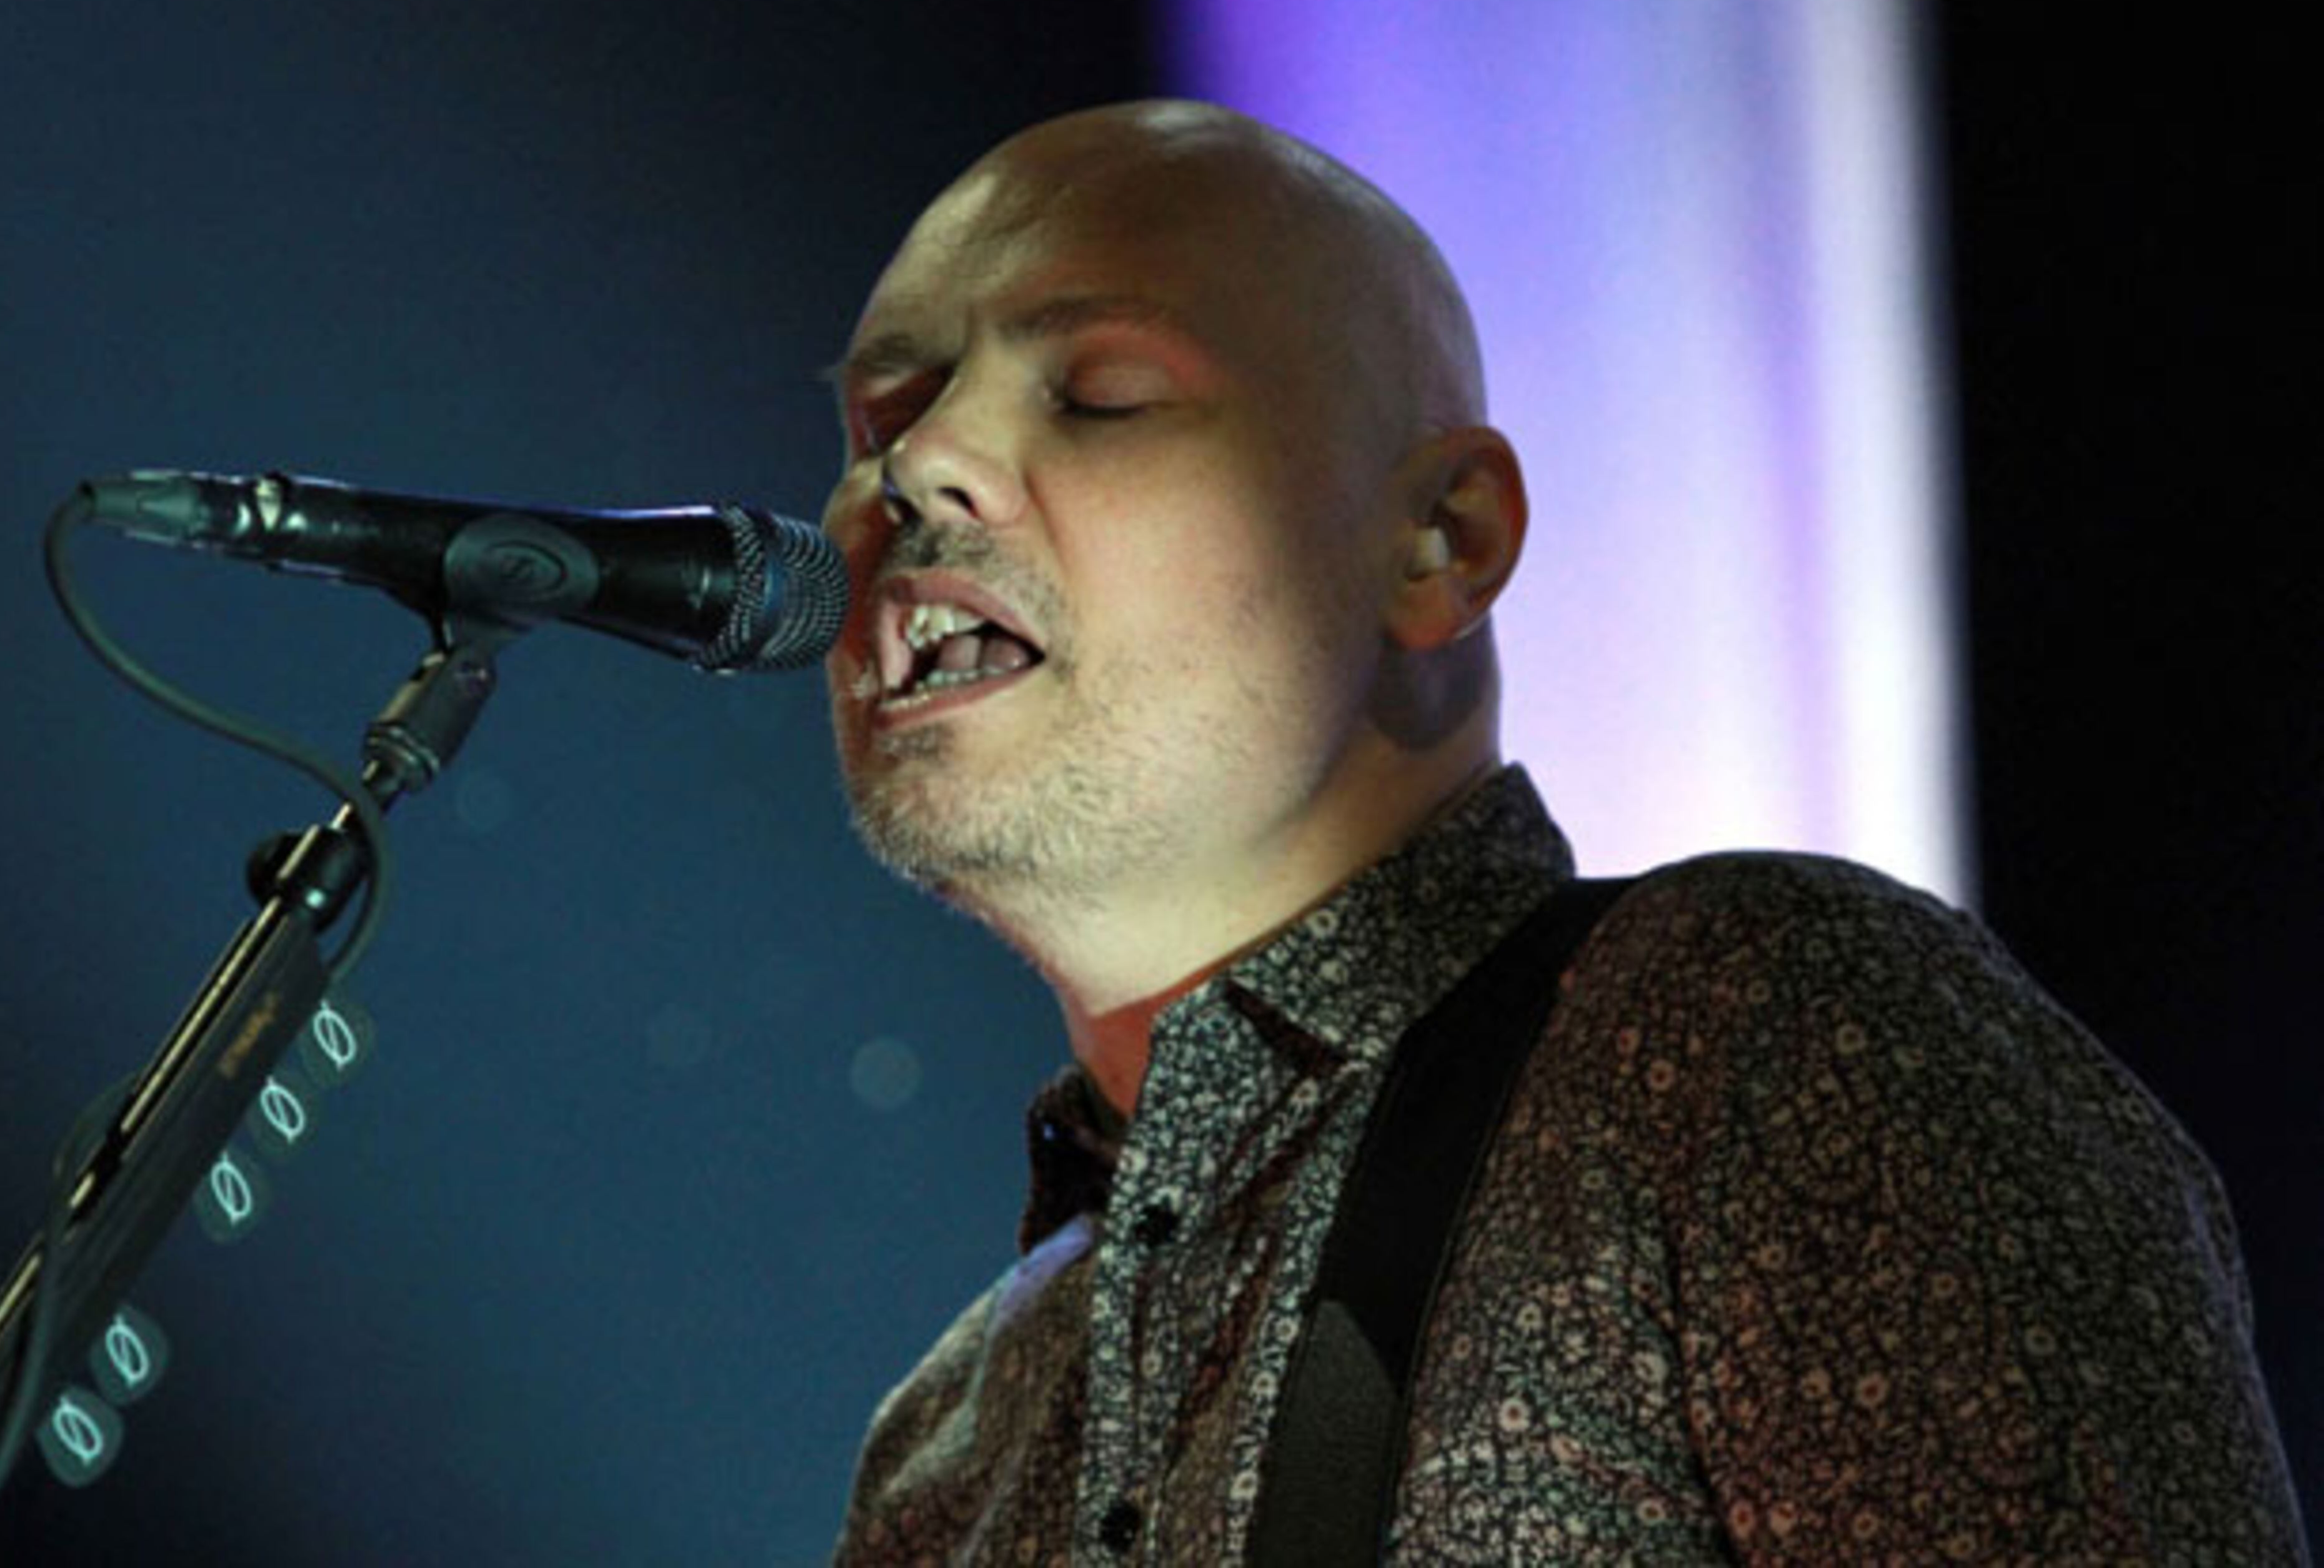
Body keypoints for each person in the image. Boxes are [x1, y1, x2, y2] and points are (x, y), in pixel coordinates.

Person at [817, 100, 2307, 1564]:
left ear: (1444, 538)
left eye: (1100, 390)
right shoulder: (949, 1440)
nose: (919, 466)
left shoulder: (1761, 1035)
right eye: (883, 418)